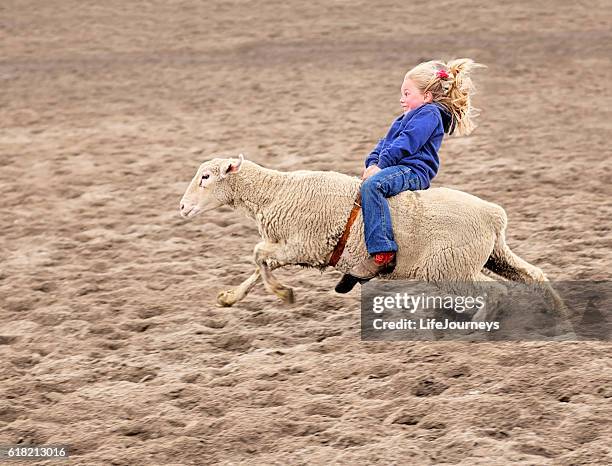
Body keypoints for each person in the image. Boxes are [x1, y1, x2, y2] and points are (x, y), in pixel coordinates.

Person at [337, 58, 485, 291]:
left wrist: (381, 165)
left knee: (373, 187)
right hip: (396, 167)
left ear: (426, 96)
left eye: (407, 93)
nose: (401, 99)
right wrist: (372, 162)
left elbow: (408, 143)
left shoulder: (430, 114)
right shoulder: (404, 118)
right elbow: (384, 143)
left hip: (414, 170)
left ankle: (382, 253)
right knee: (365, 184)